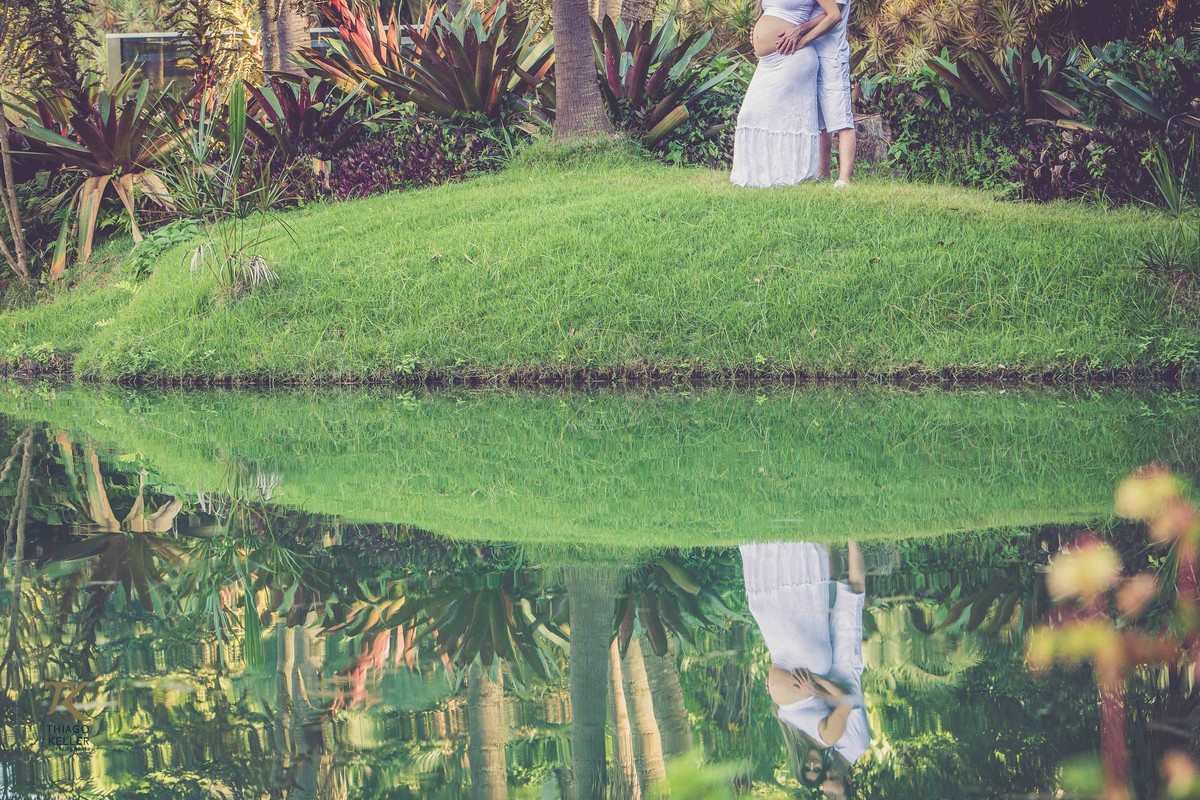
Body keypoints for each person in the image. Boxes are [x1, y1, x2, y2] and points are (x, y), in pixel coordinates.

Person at [741, 540, 869, 796]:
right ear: (849, 781)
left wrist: (787, 693)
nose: (827, 770)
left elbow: (808, 713)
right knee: (852, 593)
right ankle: (854, 534)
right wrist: (814, 688)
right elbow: (848, 698)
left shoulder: (828, 750)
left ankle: (828, 538)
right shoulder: (857, 745)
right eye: (835, 776)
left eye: (826, 775)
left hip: (825, 666)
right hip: (844, 664)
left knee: (826, 589)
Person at [730, 0, 843, 187]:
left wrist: (804, 37)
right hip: (768, 62)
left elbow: (834, 15)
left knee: (785, 120)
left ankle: (790, 175)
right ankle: (759, 176)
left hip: (792, 58)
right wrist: (758, 32)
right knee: (749, 115)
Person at [805, 0, 856, 186]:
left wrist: (802, 33)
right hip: (811, 54)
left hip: (832, 56)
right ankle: (822, 172)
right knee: (820, 123)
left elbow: (834, 15)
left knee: (842, 119)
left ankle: (844, 178)